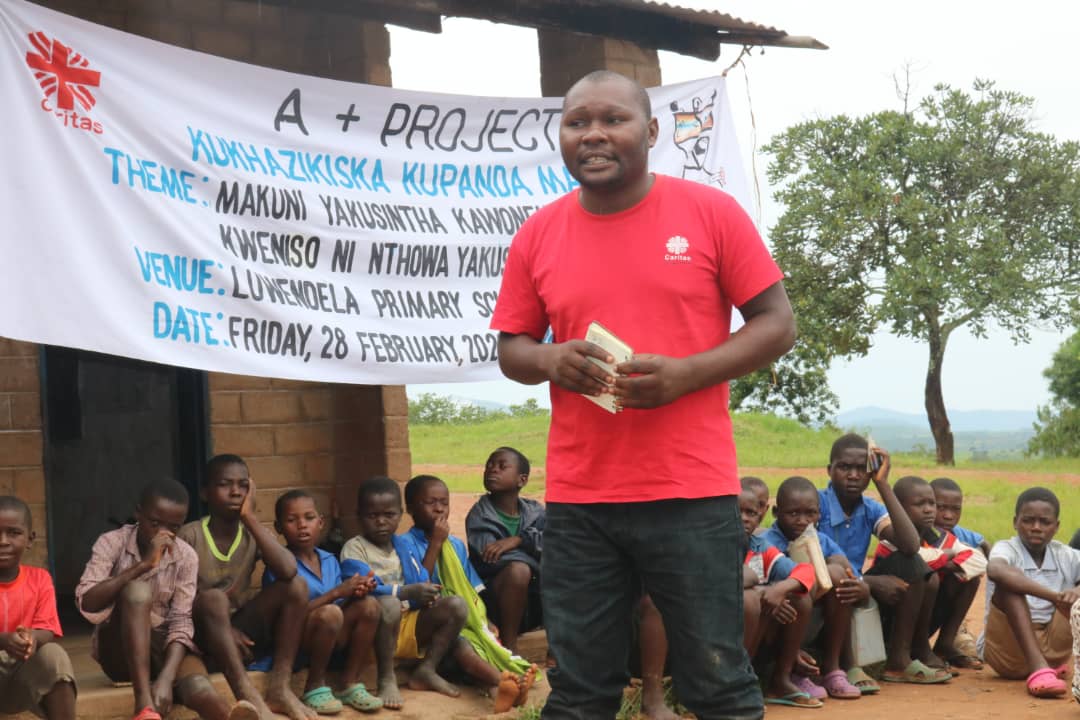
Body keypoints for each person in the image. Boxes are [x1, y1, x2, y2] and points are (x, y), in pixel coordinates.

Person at [491, 69, 796, 720]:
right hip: (579, 503)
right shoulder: (539, 232)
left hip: (690, 495)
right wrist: (550, 358)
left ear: (652, 131)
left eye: (613, 120)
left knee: (718, 685)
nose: (593, 134)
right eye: (577, 122)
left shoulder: (709, 213)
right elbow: (512, 350)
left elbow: (777, 323)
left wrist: (688, 373)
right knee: (580, 692)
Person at [76, 480, 257, 720]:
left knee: (200, 690)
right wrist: (142, 566)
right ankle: (143, 705)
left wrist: (166, 679)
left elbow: (182, 621)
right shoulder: (111, 542)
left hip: (164, 649)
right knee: (137, 592)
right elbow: (87, 602)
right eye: (154, 523)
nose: (163, 533)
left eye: (173, 526)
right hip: (120, 654)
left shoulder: (186, 556)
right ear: (138, 513)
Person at [177, 455, 313, 720]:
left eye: (243, 485)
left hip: (241, 635)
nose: (236, 491)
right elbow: (177, 601)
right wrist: (225, 628)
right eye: (225, 484)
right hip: (199, 636)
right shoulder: (190, 535)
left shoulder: (251, 533)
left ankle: (279, 688)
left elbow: (289, 570)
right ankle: (246, 693)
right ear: (205, 493)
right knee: (213, 599)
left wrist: (249, 517)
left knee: (296, 586)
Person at [816, 434, 948, 685]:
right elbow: (813, 560)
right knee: (841, 577)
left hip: (857, 583)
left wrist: (883, 484)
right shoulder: (817, 503)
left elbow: (910, 545)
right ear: (829, 470)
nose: (854, 475)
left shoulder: (869, 508)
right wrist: (871, 582)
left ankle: (899, 659)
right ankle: (846, 665)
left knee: (914, 566)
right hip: (825, 585)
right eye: (844, 467)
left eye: (861, 468)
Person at [398, 474, 537, 712]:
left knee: (475, 641)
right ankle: (501, 680)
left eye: (444, 502)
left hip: (457, 621)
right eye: (430, 503)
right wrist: (435, 543)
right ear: (411, 508)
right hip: (427, 621)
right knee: (461, 642)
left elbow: (469, 587)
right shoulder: (405, 543)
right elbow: (420, 587)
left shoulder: (456, 545)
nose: (439, 508)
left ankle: (499, 692)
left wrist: (487, 621)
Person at [340, 475, 470, 710]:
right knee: (388, 603)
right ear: (359, 516)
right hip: (376, 629)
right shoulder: (354, 548)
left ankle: (427, 669)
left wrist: (425, 592)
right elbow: (364, 587)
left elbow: (420, 578)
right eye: (372, 516)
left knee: (457, 606)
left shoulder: (403, 545)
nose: (381, 522)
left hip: (409, 624)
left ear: (400, 515)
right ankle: (386, 677)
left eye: (389, 515)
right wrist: (406, 591)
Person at [268, 490, 383, 714]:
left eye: (309, 518)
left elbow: (340, 603)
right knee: (330, 612)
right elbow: (284, 621)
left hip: (332, 635)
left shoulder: (329, 559)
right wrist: (336, 593)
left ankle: (348, 683)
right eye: (292, 520)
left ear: (320, 522)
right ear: (279, 527)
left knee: (370, 606)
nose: (302, 525)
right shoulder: (280, 566)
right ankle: (314, 686)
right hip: (297, 643)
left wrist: (354, 592)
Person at [763, 476, 865, 699]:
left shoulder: (819, 539)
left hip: (813, 619)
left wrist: (844, 573)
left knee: (837, 573)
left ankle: (832, 669)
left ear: (819, 514)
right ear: (776, 512)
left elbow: (850, 573)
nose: (802, 521)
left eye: (810, 514)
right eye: (793, 513)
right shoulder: (768, 542)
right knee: (798, 587)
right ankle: (790, 672)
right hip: (779, 621)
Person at [981, 487, 1080, 698]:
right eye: (1028, 520)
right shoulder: (1007, 548)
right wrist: (1054, 597)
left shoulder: (1066, 555)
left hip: (1054, 652)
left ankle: (1048, 667)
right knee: (1008, 586)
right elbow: (995, 570)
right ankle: (1038, 668)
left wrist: (1076, 591)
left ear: (1056, 526)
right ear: (1015, 522)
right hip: (1008, 655)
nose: (1036, 527)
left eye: (1045, 522)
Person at [738, 480, 819, 709]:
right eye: (738, 512)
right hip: (721, 632)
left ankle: (780, 679)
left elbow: (805, 571)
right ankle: (737, 684)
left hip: (758, 635)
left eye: (751, 513)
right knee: (751, 600)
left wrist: (779, 589)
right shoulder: (715, 546)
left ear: (760, 518)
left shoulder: (760, 547)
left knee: (799, 598)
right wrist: (763, 591)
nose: (744, 518)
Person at [0, 495, 76, 720]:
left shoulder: (40, 579)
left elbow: (47, 630)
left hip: (18, 678)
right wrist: (4, 640)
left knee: (54, 655)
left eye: (13, 533)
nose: (3, 541)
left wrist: (31, 639)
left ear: (30, 539)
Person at [465, 446, 545, 653]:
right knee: (519, 570)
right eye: (489, 465)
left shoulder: (535, 511)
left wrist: (517, 541)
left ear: (522, 480)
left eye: (502, 466)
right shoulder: (479, 514)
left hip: (532, 605)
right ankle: (510, 648)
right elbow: (490, 557)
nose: (493, 470)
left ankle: (558, 648)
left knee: (563, 569)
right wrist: (535, 557)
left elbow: (554, 546)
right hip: (495, 604)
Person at [930, 476, 987, 662]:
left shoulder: (957, 533)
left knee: (969, 578)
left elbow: (983, 544)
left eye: (955, 509)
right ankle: (915, 648)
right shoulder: (918, 532)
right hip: (910, 612)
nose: (948, 515)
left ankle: (945, 645)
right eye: (941, 507)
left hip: (934, 609)